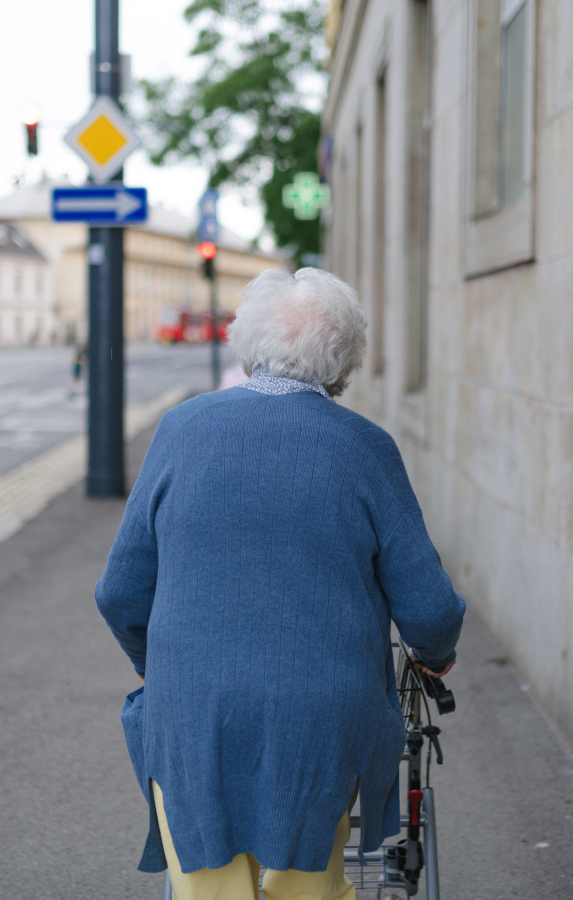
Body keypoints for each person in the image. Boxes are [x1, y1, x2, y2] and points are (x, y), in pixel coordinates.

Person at [95, 267, 465, 900]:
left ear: (249, 339)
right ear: (343, 357)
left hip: (194, 705)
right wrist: (435, 658)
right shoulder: (365, 448)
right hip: (319, 716)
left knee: (208, 885)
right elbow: (429, 609)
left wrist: (149, 663)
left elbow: (120, 592)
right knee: (308, 882)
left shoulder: (180, 430)